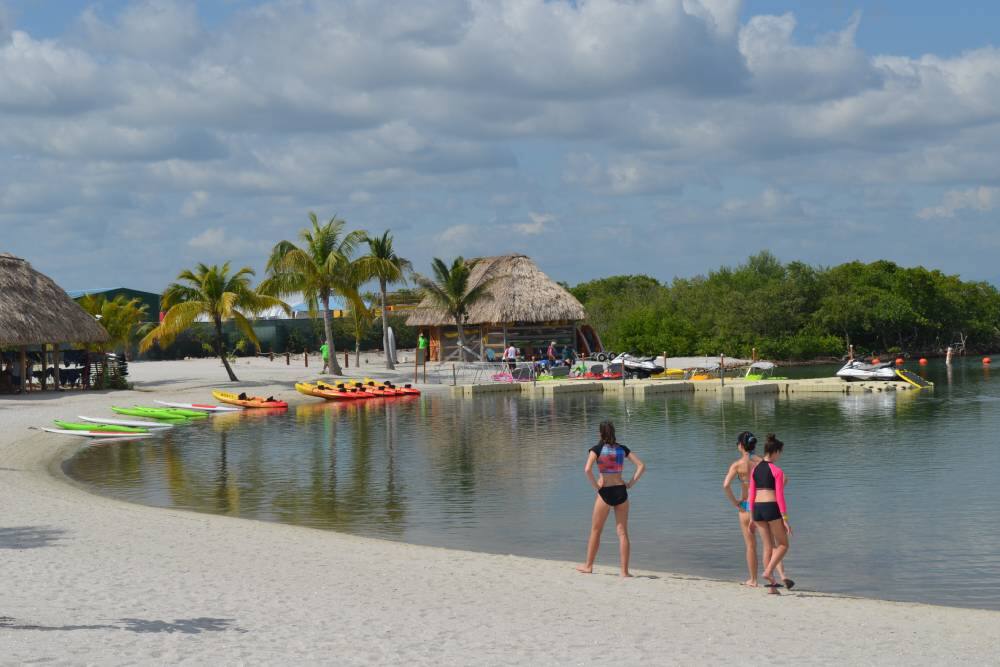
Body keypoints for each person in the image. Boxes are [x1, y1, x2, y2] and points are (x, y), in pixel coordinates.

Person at [723, 431, 791, 589]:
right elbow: (784, 479)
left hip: (747, 506)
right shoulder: (762, 461)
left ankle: (753, 580)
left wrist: (735, 503)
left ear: (740, 446)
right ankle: (781, 576)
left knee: (751, 546)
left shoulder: (737, 464)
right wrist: (772, 493)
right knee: (772, 545)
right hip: (766, 504)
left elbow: (726, 485)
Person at [577, 421, 646, 577]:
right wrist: (630, 483)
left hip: (605, 492)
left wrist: (596, 486)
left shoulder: (597, 449)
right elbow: (641, 465)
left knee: (596, 530)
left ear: (600, 433)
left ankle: (588, 566)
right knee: (622, 533)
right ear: (614, 432)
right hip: (621, 491)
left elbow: (587, 469)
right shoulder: (622, 449)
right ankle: (624, 571)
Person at [749, 434, 793, 592]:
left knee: (767, 547)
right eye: (780, 452)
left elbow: (751, 493)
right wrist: (785, 519)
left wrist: (751, 517)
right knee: (783, 545)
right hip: (771, 507)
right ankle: (768, 572)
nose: (780, 455)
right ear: (775, 451)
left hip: (757, 508)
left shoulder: (755, 469)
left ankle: (772, 587)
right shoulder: (777, 471)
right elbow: (780, 496)